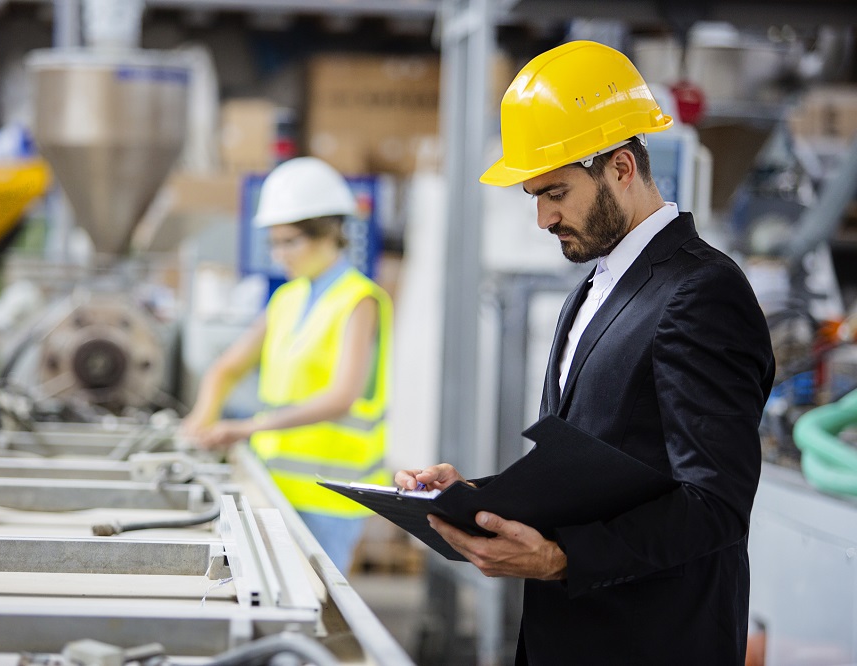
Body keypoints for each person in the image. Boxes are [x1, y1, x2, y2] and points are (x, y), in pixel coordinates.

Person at [395, 41, 775, 665]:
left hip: (653, 640)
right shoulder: (594, 291)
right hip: (571, 634)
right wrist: (478, 497)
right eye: (534, 197)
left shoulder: (701, 291)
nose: (543, 218)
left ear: (621, 168)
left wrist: (562, 557)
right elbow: (602, 468)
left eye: (556, 193)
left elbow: (715, 504)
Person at [181, 156, 392, 575]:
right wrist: (198, 422)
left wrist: (244, 428)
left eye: (290, 242)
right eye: (274, 243)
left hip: (331, 498)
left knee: (319, 617)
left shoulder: (359, 300)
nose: (280, 255)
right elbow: (226, 367)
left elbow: (341, 398)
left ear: (330, 233)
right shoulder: (287, 299)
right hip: (275, 486)